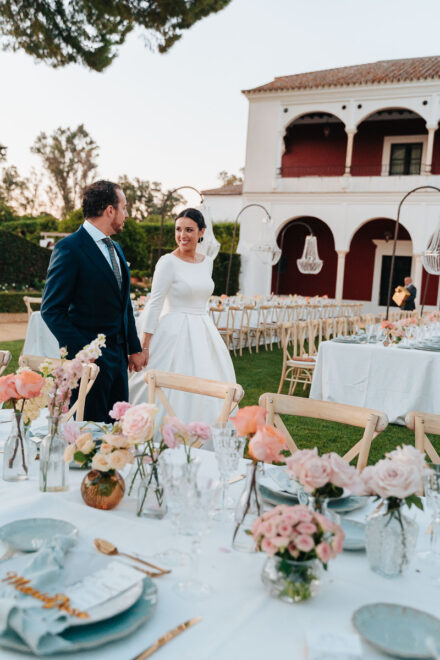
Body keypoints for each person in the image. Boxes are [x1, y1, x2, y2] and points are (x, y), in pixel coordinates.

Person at [41, 180, 146, 422]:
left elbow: (124, 304)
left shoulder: (116, 249)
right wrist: (86, 354)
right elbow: (51, 309)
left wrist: (133, 347)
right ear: (110, 210)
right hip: (89, 363)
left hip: (119, 360)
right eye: (124, 207)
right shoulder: (69, 248)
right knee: (87, 434)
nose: (127, 214)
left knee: (115, 433)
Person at [129, 208, 236, 423]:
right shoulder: (168, 262)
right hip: (173, 330)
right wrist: (145, 345)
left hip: (204, 330)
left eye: (189, 230)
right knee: (163, 386)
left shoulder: (207, 262)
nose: (182, 235)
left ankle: (203, 432)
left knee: (208, 382)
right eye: (178, 229)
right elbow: (156, 303)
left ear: (201, 232)